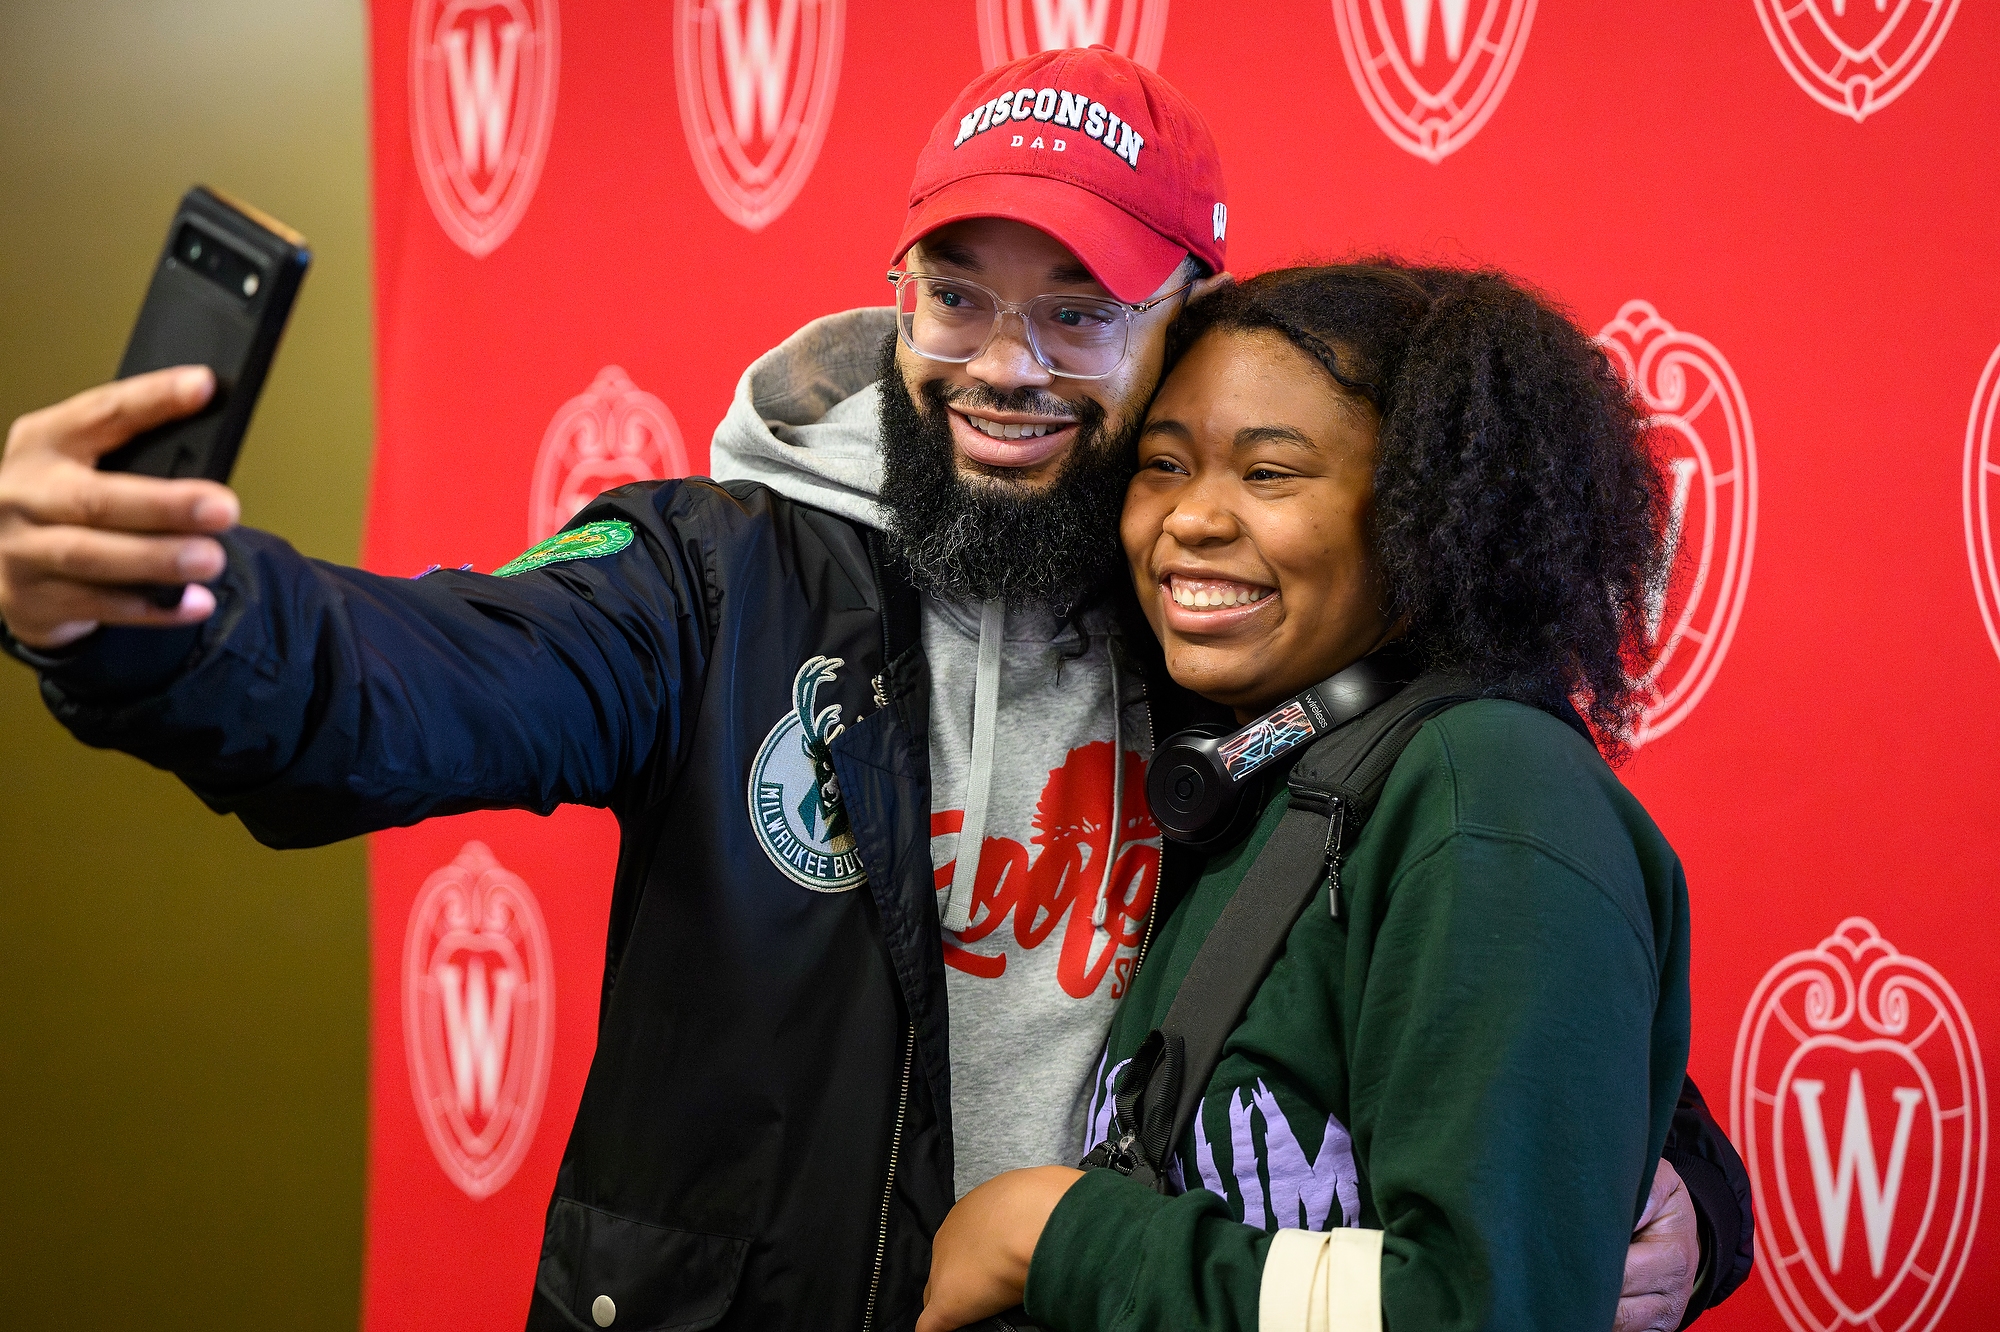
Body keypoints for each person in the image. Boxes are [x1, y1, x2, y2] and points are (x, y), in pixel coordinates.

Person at [0, 49, 1745, 1332]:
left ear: (1188, 325)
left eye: (1080, 312)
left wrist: (1688, 1196)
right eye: (957, 297)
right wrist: (163, 621)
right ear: (893, 299)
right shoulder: (716, 573)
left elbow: (1499, 1010)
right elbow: (424, 678)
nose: (1004, 366)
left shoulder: (1243, 618)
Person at [916, 263, 1738, 1332]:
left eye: (1268, 474)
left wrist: (1060, 1237)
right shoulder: (1248, 783)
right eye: (1163, 464)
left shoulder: (1490, 792)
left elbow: (1480, 1307)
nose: (1192, 518)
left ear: (1426, 518)